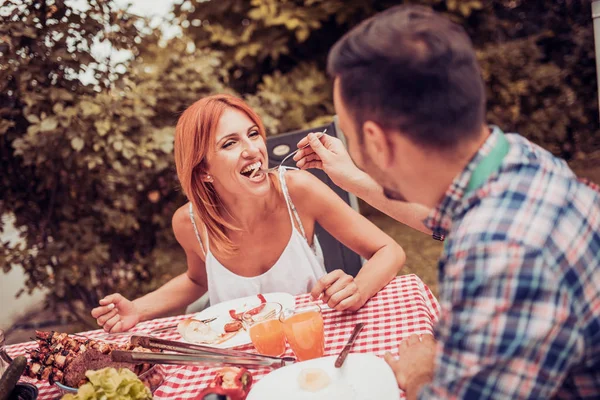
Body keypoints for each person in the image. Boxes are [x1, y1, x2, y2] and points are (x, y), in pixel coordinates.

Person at [294, 5, 600, 400]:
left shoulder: (499, 253)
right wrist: (355, 178)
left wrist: (421, 375)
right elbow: (445, 219)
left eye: (351, 136)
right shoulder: (517, 158)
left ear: (377, 140)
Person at [91, 94, 406, 333]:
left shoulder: (297, 190)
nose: (252, 149)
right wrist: (138, 308)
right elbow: (195, 279)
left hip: (311, 342)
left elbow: (388, 250)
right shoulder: (189, 222)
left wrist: (358, 289)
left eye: (253, 134)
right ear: (203, 172)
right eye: (230, 143)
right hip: (239, 359)